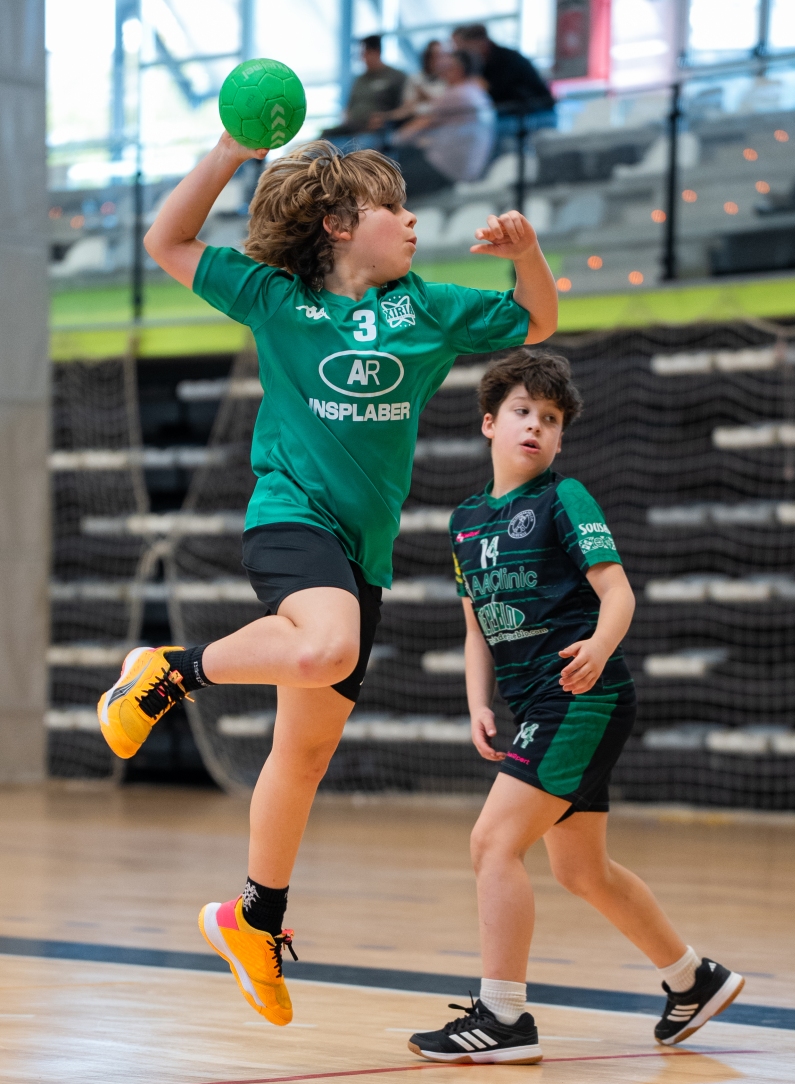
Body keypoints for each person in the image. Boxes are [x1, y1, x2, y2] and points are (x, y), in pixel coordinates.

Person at [96, 136, 558, 1028]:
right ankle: (169, 670)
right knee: (325, 648)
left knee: (302, 757)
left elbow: (536, 321)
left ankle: (253, 918)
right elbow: (168, 240)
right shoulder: (278, 300)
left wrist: (529, 253)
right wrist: (230, 151)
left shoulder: (428, 308)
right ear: (341, 224)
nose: (414, 221)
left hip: (361, 555)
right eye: (395, 207)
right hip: (290, 517)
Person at [408, 349, 745, 1063]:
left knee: (493, 844)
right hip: (533, 703)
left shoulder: (565, 498)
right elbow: (475, 628)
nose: (536, 426)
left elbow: (618, 592)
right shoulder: (465, 521)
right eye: (523, 412)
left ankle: (503, 1018)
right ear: (490, 423)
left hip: (580, 698)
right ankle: (694, 979)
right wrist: (476, 703)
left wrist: (598, 645)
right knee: (581, 871)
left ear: (561, 438)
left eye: (551, 418)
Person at [392, 50, 495, 198]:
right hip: (469, 168)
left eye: (448, 67)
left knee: (387, 179)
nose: (442, 71)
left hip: (446, 169)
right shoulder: (476, 92)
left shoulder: (457, 94)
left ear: (459, 69)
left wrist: (391, 140)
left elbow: (417, 127)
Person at [452, 23, 555, 115]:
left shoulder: (506, 58)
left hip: (534, 111)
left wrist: (485, 86)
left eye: (470, 48)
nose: (469, 53)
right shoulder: (485, 61)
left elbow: (502, 91)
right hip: (516, 110)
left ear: (481, 43)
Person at [323, 35, 406, 144]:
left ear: (376, 52)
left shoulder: (397, 77)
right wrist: (347, 116)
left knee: (360, 147)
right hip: (352, 127)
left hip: (375, 131)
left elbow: (406, 109)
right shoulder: (359, 80)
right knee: (321, 141)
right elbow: (349, 106)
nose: (362, 59)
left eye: (365, 54)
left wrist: (385, 118)